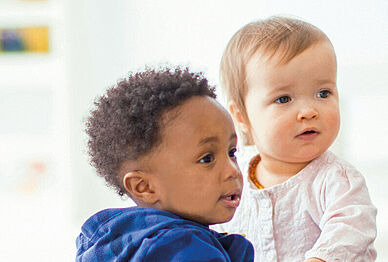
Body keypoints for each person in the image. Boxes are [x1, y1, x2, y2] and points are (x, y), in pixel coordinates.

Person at [212, 16, 377, 262]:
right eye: (284, 99)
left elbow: (351, 231)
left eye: (323, 93)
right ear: (242, 116)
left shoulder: (337, 180)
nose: (309, 111)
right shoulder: (232, 180)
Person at [75, 66, 254, 261]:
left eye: (232, 152)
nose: (233, 171)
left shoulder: (116, 244)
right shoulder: (189, 249)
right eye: (206, 159)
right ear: (144, 187)